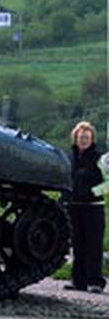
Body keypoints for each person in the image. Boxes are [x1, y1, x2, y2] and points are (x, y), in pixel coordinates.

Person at [62, 121, 106, 293]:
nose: (84, 140)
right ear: (75, 138)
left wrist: (92, 192)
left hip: (93, 207)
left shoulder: (100, 159)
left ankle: (95, 281)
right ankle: (78, 281)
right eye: (81, 137)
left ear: (92, 139)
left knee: (93, 245)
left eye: (87, 138)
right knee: (77, 245)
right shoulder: (68, 158)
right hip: (73, 206)